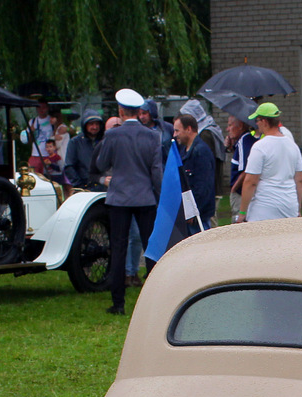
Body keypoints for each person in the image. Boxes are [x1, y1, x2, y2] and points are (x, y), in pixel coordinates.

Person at [92, 88, 163, 315]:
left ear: (121, 111)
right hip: (145, 198)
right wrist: (159, 198)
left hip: (119, 198)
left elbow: (102, 164)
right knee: (150, 249)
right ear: (139, 111)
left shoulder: (113, 135)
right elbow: (156, 172)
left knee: (119, 248)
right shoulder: (153, 136)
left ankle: (118, 303)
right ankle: (155, 300)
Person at [236, 103, 302, 223]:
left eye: (257, 120)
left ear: (264, 122)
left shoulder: (260, 147)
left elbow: (250, 181)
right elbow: (299, 179)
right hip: (289, 206)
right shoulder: (293, 146)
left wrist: (242, 213)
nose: (256, 124)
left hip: (264, 208)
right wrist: (297, 209)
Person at [173, 113, 216, 232]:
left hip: (199, 216)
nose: (175, 135)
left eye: (177, 131)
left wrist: (192, 211)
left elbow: (203, 186)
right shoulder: (183, 151)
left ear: (189, 129)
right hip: (187, 215)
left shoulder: (201, 152)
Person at [226, 116, 257, 223]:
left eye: (230, 125)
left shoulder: (244, 141)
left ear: (240, 127)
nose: (227, 129)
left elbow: (246, 170)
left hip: (240, 194)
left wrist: (234, 188)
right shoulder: (241, 142)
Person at [65, 110, 106, 190]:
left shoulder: (105, 141)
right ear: (85, 125)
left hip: (103, 186)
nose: (95, 127)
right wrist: (79, 185)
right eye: (91, 124)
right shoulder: (75, 142)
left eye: (97, 124)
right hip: (83, 187)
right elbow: (69, 166)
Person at [139, 98, 175, 163]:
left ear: (151, 112)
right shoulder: (139, 132)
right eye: (139, 114)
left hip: (168, 168)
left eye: (144, 113)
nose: (141, 117)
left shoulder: (167, 128)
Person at [27, 99, 54, 172]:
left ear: (47, 108)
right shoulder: (32, 122)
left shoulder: (52, 120)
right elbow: (28, 141)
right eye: (39, 107)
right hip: (35, 155)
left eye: (44, 107)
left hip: (48, 155)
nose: (41, 110)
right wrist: (31, 132)